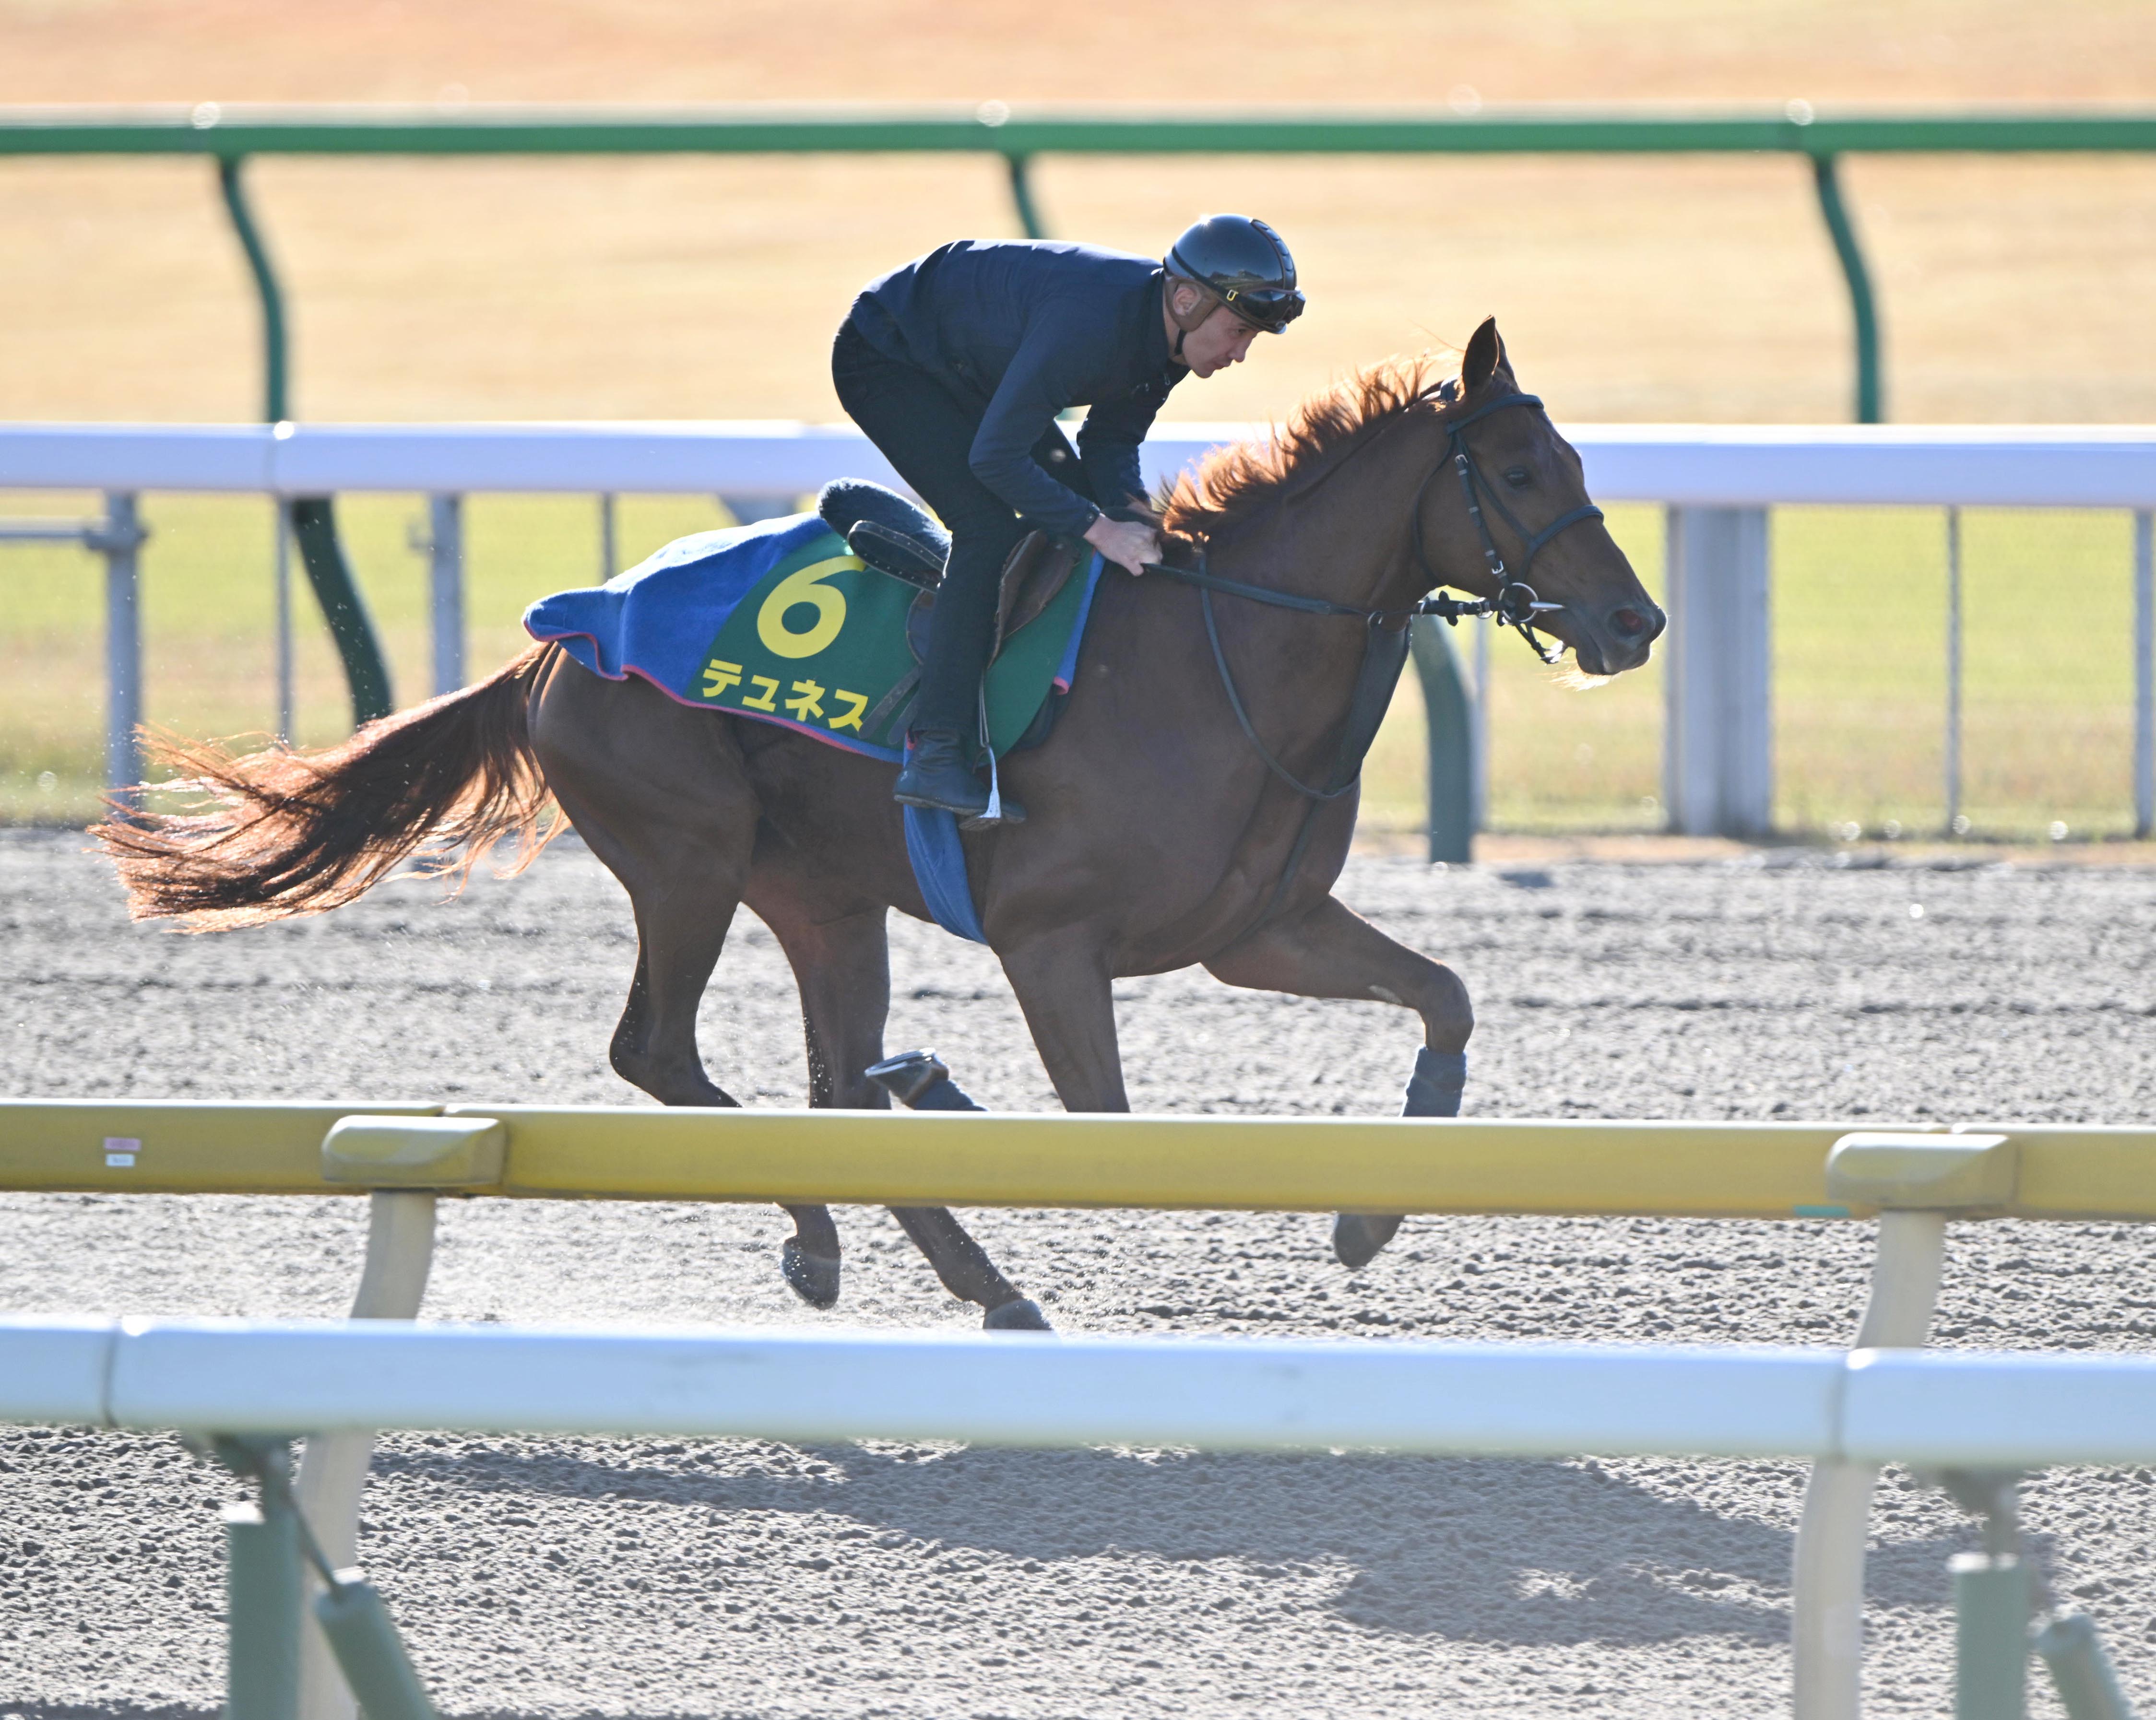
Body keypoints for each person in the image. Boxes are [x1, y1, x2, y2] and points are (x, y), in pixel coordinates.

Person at [831, 214, 1304, 825]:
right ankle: (937, 748)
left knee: (1080, 509)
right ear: (1187, 299)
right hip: (888, 357)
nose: (1240, 354)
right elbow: (995, 458)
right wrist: (1105, 530)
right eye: (1239, 331)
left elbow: (1110, 443)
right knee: (991, 527)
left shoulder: (1170, 337)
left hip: (969, 366)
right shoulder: (1092, 326)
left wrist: (1141, 522)